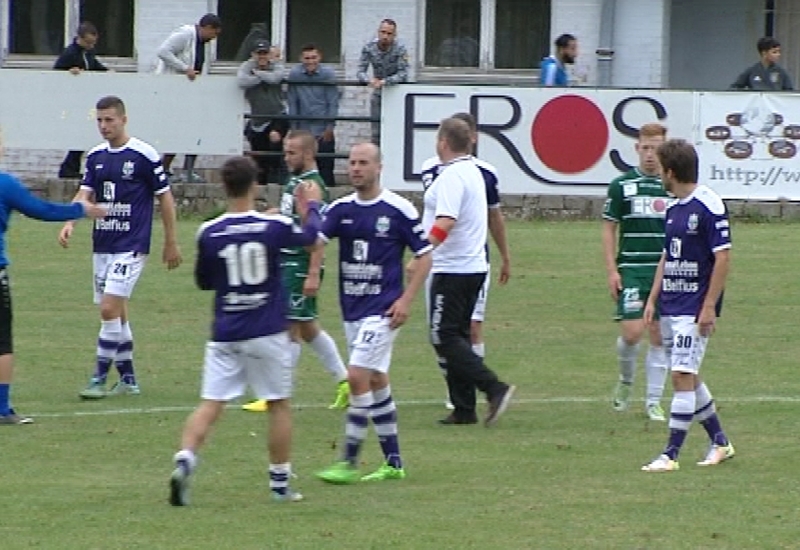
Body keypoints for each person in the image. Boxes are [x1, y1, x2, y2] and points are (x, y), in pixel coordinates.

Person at [169, 156, 322, 505]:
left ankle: (185, 459)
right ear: (255, 186)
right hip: (266, 329)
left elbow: (204, 281)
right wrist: (310, 206)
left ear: (224, 186)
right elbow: (312, 239)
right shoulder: (272, 226)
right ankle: (280, 485)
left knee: (211, 403)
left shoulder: (209, 231)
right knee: (279, 404)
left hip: (225, 331)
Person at [315, 142, 432, 484]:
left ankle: (348, 462)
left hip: (383, 311)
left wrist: (406, 301)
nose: (355, 168)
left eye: (363, 163)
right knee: (377, 380)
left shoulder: (398, 210)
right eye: (352, 162)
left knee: (356, 378)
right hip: (352, 308)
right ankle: (393, 463)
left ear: (379, 167)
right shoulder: (340, 209)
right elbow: (315, 241)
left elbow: (424, 257)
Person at [58, 95, 183, 399]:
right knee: (118, 313)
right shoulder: (96, 156)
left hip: (132, 243)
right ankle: (128, 380)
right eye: (99, 120)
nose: (104, 126)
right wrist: (70, 221)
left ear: (123, 119)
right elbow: (85, 193)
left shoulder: (143, 154)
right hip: (103, 243)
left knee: (108, 308)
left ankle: (98, 378)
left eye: (109, 120)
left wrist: (170, 241)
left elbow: (164, 197)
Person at [641, 139, 735, 472]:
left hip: (694, 307)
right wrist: (653, 298)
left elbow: (723, 256)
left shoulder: (709, 205)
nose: (659, 174)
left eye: (661, 168)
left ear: (671, 171)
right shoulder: (673, 207)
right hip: (671, 303)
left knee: (681, 374)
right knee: (688, 375)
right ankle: (720, 442)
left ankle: (670, 455)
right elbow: (668, 256)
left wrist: (709, 306)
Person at [241, 130, 349, 413]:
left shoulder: (312, 186)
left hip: (299, 265)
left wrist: (313, 272)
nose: (286, 158)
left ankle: (276, 393)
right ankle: (345, 381)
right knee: (308, 328)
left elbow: (317, 233)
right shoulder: (297, 182)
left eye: (292, 153)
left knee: (288, 329)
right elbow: (296, 220)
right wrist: (276, 216)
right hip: (287, 262)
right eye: (286, 152)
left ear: (309, 154)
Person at [419, 117, 515, 426]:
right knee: (458, 333)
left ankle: (494, 387)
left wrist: (423, 251)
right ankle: (464, 408)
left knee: (443, 335)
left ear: (443, 143)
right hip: (472, 265)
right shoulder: (474, 172)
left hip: (453, 267)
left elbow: (446, 220)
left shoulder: (451, 176)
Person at [0, 150, 106, 425]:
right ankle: (1, 408)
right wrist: (79, 210)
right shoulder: (5, 184)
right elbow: (41, 210)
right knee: (2, 342)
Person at [602, 123, 670, 422]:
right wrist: (611, 270)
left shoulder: (673, 186)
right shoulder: (621, 185)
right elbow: (608, 226)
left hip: (665, 269)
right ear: (637, 148)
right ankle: (626, 382)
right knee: (632, 333)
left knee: (659, 334)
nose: (651, 154)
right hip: (631, 268)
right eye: (646, 147)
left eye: (656, 148)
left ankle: (653, 401)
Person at [154, 13, 222, 182]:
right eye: (214, 34)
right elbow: (163, 51)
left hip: (189, 91)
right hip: (174, 91)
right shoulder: (185, 35)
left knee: (192, 128)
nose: (214, 38)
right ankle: (165, 167)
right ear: (207, 28)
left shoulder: (200, 42)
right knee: (178, 129)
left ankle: (184, 169)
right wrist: (185, 69)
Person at [54, 21, 108, 179]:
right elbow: (56, 71)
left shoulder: (89, 53)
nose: (91, 46)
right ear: (80, 38)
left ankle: (71, 168)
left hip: (85, 99)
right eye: (89, 42)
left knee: (83, 135)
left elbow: (95, 66)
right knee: (78, 135)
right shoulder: (70, 53)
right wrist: (69, 72)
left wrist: (107, 71)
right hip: (73, 100)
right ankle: (68, 168)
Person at [287, 43, 339, 189]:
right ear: (301, 59)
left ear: (320, 57)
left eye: (313, 57)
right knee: (300, 169)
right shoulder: (295, 74)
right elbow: (293, 102)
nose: (310, 61)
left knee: (326, 170)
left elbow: (332, 102)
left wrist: (330, 127)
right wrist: (294, 129)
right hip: (303, 129)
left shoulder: (328, 74)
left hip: (322, 129)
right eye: (307, 58)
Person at [238, 40, 287, 184]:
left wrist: (258, 73)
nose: (262, 57)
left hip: (277, 115)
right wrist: (262, 76)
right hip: (257, 119)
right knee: (259, 156)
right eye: (259, 54)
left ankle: (278, 181)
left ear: (269, 54)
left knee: (275, 140)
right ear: (253, 54)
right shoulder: (247, 65)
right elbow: (242, 81)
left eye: (265, 53)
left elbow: (276, 78)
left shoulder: (276, 65)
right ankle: (262, 186)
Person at [357, 19, 410, 145]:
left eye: (389, 33)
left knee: (396, 130)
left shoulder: (401, 49)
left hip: (396, 94)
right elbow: (360, 71)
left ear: (394, 35)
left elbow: (403, 74)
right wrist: (369, 80)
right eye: (383, 32)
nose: (385, 36)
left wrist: (385, 81)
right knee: (376, 132)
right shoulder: (369, 48)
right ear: (378, 32)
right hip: (378, 94)